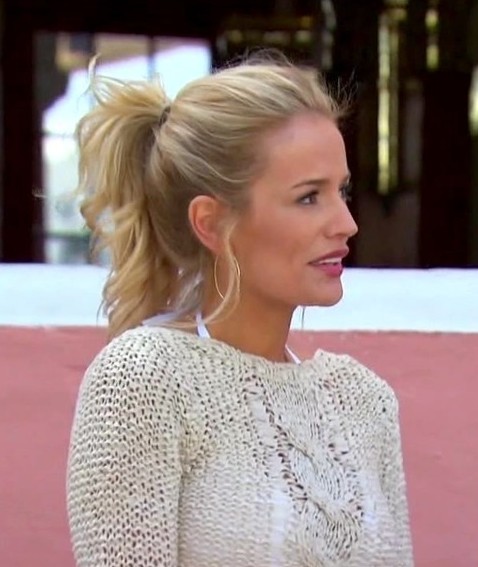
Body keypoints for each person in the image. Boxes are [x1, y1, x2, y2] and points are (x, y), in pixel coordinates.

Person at [66, 54, 414, 567]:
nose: (346, 223)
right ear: (211, 222)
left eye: (340, 191)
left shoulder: (365, 402)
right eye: (308, 197)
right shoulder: (144, 380)